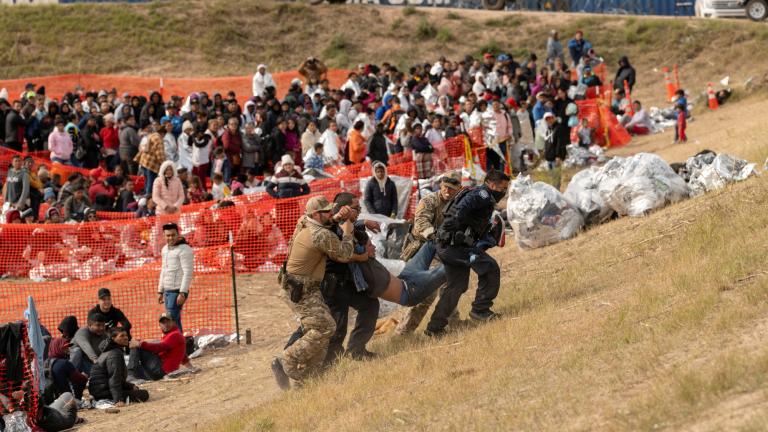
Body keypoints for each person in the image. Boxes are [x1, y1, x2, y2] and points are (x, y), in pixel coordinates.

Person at [271, 196, 355, 389]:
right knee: (324, 327)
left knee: (324, 327)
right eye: (327, 211)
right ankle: (287, 360)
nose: (330, 214)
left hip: (303, 287)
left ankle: (308, 378)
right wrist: (348, 233)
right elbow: (344, 254)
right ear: (316, 214)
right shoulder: (320, 235)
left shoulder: (304, 221)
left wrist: (334, 217)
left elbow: (325, 221)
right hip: (301, 290)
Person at [425, 170, 510, 337]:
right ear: (492, 184)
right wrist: (457, 232)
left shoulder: (482, 196)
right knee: (490, 268)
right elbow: (459, 212)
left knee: (457, 286)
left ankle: (434, 328)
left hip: (449, 245)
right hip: (454, 246)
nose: (504, 192)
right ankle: (480, 310)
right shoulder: (481, 195)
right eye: (502, 188)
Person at [396, 175, 462, 335]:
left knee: (450, 285)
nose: (447, 190)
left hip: (443, 250)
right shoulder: (429, 201)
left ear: (458, 189)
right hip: (422, 249)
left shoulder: (458, 204)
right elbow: (421, 224)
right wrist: (435, 236)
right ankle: (404, 332)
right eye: (445, 186)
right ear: (440, 186)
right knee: (427, 291)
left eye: (452, 188)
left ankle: (452, 323)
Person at [127, 313, 196, 383]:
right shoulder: (174, 334)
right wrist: (191, 368)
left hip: (161, 371)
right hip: (161, 370)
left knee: (136, 347)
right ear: (159, 325)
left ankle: (130, 375)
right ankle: (131, 375)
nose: (166, 324)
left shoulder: (174, 335)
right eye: (163, 322)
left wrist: (140, 344)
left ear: (173, 322)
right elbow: (182, 353)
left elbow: (160, 347)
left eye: (168, 321)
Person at [88, 327, 150, 405]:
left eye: (126, 335)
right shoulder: (114, 354)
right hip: (102, 393)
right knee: (144, 394)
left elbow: (117, 379)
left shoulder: (111, 351)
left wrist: (131, 386)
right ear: (113, 338)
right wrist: (118, 399)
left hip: (100, 390)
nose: (126, 338)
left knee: (135, 389)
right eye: (122, 336)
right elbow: (114, 378)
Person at [158, 222, 194, 333]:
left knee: (170, 322)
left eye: (173, 235)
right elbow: (163, 270)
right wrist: (160, 290)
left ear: (178, 234)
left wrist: (182, 292)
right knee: (175, 320)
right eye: (168, 235)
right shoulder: (164, 249)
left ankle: (174, 346)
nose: (171, 238)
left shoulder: (185, 249)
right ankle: (180, 346)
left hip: (177, 291)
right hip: (168, 290)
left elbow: (188, 272)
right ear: (164, 235)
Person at [43, 338, 88, 405]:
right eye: (65, 348)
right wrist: (85, 376)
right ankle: (77, 399)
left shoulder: (45, 362)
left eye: (68, 348)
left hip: (49, 400)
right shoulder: (64, 363)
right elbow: (80, 379)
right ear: (57, 348)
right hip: (65, 400)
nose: (68, 351)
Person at [135, 132, 167, 197]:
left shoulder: (150, 135)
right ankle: (148, 195)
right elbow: (159, 154)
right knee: (151, 180)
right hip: (152, 163)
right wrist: (164, 164)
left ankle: (145, 193)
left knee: (146, 179)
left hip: (144, 161)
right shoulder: (159, 138)